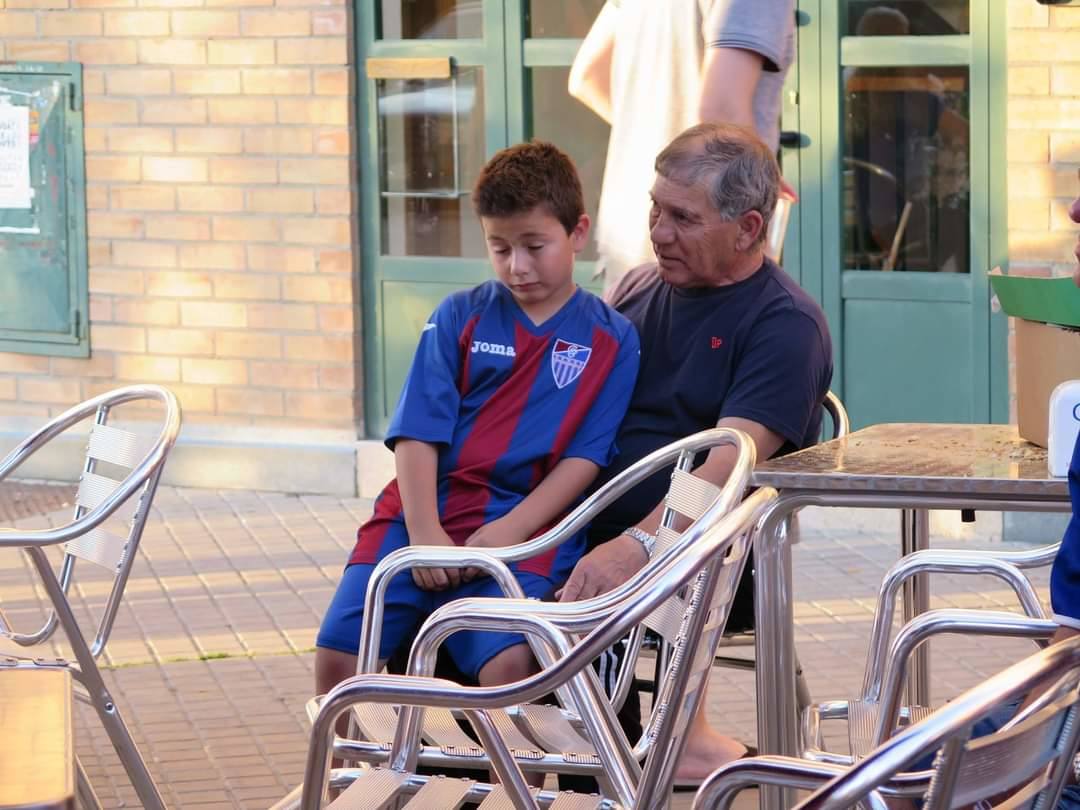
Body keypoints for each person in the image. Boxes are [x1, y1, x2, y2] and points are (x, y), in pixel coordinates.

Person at [314, 142, 641, 718]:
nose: (518, 265)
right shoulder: (458, 315)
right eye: (499, 247)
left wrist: (509, 532)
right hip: (421, 516)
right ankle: (348, 781)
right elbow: (417, 433)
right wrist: (424, 532)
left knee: (509, 670)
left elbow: (584, 461)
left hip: (529, 528)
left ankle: (503, 790)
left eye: (534, 246)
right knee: (340, 655)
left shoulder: (613, 340)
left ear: (578, 232)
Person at [559, 122, 833, 784]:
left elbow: (724, 471)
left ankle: (609, 777)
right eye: (655, 208)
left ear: (748, 228)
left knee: (587, 605)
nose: (658, 231)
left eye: (682, 217)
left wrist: (637, 545)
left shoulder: (783, 323)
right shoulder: (635, 289)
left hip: (711, 555)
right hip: (594, 528)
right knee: (455, 582)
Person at [568, 0, 798, 290]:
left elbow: (588, 77)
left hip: (630, 244)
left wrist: (665, 146)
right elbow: (722, 110)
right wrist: (758, 184)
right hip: (705, 250)